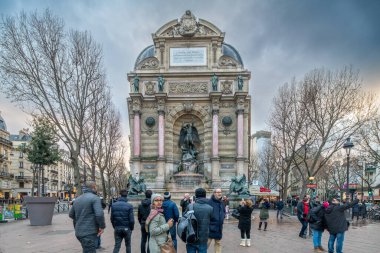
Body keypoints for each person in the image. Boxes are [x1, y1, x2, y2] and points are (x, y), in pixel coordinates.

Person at [69, 181, 105, 253]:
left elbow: (71, 214)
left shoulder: (77, 199)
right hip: (89, 232)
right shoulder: (95, 198)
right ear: (94, 187)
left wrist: (80, 219)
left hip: (79, 232)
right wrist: (101, 226)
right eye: (96, 187)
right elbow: (99, 214)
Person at [186, 188, 213, 253]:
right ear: (205, 195)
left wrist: (192, 204)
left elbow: (185, 218)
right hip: (203, 238)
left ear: (196, 196)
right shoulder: (210, 208)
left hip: (191, 236)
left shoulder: (190, 206)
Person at [207, 188, 225, 253]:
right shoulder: (209, 202)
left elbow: (223, 211)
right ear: (214, 193)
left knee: (218, 243)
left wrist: (223, 217)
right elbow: (207, 214)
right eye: (218, 192)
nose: (219, 193)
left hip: (219, 227)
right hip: (211, 227)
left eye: (220, 192)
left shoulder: (222, 202)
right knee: (206, 244)